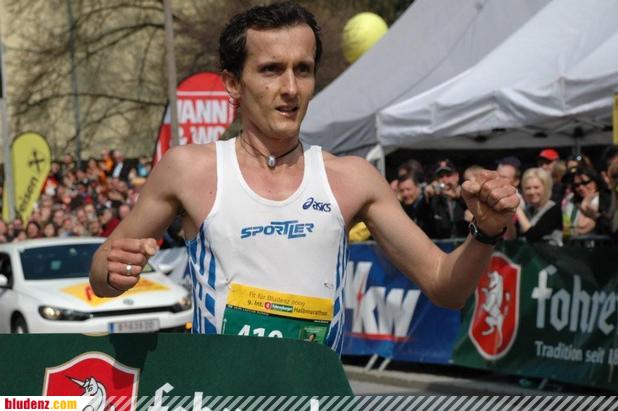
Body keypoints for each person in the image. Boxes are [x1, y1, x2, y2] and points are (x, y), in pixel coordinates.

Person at [89, 2, 518, 352]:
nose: (291, 88)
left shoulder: (352, 178)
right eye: (271, 69)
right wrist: (113, 271)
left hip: (314, 395)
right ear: (233, 84)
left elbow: (445, 287)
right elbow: (102, 277)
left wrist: (485, 232)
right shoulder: (189, 169)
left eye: (303, 69)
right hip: (220, 393)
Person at [513, 168, 562, 245]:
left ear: (546, 188)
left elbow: (534, 236)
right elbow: (512, 237)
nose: (532, 192)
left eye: (536, 187)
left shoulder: (554, 209)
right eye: (528, 188)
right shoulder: (527, 210)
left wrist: (518, 210)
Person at [423, 159, 468, 239]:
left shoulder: (465, 196)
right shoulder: (433, 200)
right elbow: (423, 217)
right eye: (441, 177)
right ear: (436, 179)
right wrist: (426, 197)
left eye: (448, 175)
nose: (445, 180)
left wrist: (459, 196)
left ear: (456, 176)